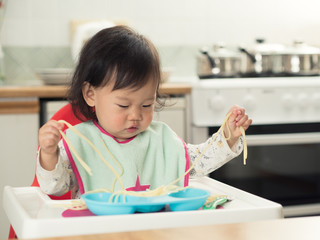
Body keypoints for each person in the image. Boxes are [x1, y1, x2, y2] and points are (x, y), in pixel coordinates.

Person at [37, 26, 252, 199]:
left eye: (146, 105)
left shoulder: (161, 140)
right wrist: (49, 153)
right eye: (123, 106)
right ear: (90, 94)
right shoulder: (81, 141)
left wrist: (229, 136)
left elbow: (199, 162)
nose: (135, 115)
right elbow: (54, 187)